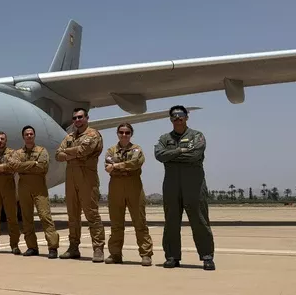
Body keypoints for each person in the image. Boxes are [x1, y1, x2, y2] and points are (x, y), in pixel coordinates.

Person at [154, 106, 215, 270]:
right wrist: (181, 150)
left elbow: (195, 154)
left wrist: (172, 155)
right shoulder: (164, 138)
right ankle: (172, 256)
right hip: (172, 185)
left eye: (181, 115)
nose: (177, 118)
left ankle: (207, 256)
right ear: (170, 119)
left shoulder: (197, 135)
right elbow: (159, 155)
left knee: (199, 220)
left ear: (187, 117)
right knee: (171, 221)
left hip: (194, 184)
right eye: (174, 116)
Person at [55, 107, 105, 262]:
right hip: (71, 179)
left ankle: (98, 248)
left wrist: (68, 153)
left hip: (87, 178)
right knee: (72, 215)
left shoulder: (93, 134)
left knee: (91, 214)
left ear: (87, 118)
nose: (77, 120)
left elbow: (85, 150)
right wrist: (74, 153)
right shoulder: (69, 136)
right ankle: (73, 247)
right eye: (75, 118)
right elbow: (58, 155)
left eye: (80, 117)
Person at [104, 123, 153, 266]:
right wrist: (122, 166)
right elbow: (107, 167)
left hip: (134, 187)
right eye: (121, 132)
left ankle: (145, 254)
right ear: (117, 133)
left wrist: (117, 166)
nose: (124, 135)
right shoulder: (110, 150)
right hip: (116, 188)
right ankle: (115, 254)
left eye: (127, 132)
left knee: (140, 222)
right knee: (116, 223)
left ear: (131, 134)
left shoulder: (137, 149)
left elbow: (136, 163)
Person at [12, 125, 59, 258]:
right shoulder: (17, 153)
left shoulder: (42, 150)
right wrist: (33, 163)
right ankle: (32, 247)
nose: (29, 136)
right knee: (27, 218)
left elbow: (43, 167)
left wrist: (23, 167)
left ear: (34, 136)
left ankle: (53, 247)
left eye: (31, 134)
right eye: (26, 134)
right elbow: (14, 166)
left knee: (45, 216)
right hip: (24, 187)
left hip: (39, 187)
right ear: (23, 137)